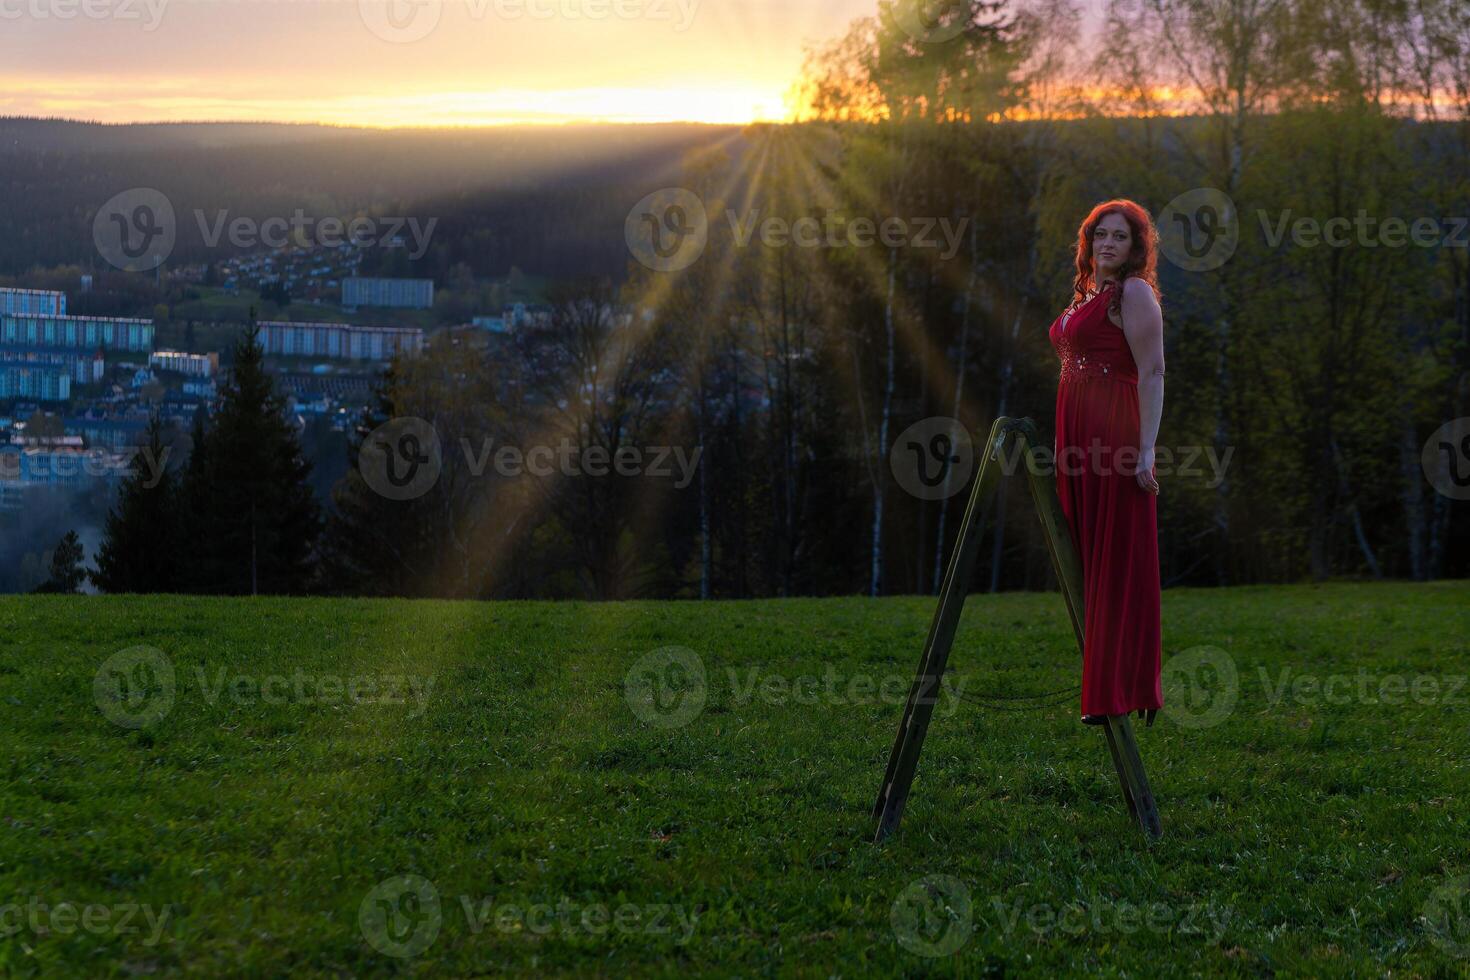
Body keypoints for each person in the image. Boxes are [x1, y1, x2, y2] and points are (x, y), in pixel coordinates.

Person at [1047, 199, 1166, 726]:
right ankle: (1109, 683)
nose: (1108, 244)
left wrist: (1145, 449)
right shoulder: (1087, 294)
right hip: (1073, 434)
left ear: (1136, 247)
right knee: (1086, 556)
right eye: (1101, 235)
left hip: (1113, 434)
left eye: (1120, 236)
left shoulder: (1133, 292)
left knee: (1114, 558)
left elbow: (1154, 372)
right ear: (1089, 242)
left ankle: (1116, 690)